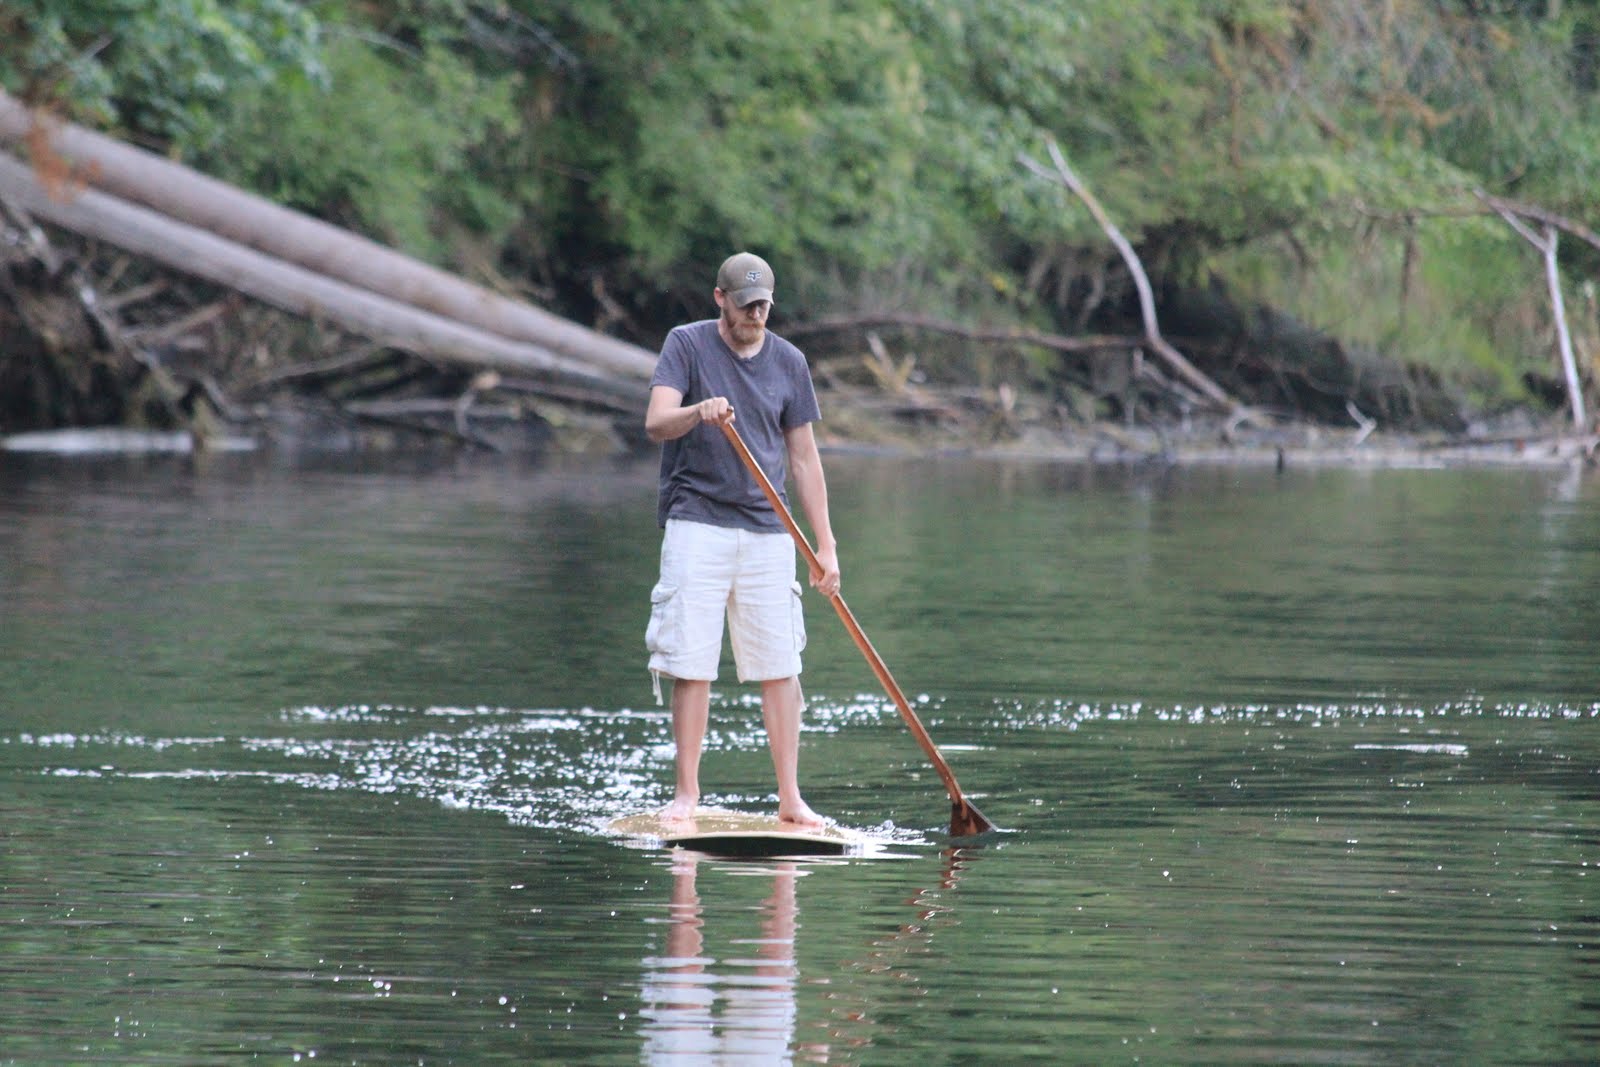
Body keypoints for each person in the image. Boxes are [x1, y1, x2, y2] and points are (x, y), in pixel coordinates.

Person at [644, 251, 841, 828]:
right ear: (720, 299)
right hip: (696, 521)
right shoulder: (687, 345)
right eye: (746, 305)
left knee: (782, 664)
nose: (756, 315)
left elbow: (804, 458)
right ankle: (686, 796)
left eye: (764, 306)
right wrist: (698, 411)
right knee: (691, 660)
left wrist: (825, 546)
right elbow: (656, 423)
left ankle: (790, 798)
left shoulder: (790, 362)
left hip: (766, 530)